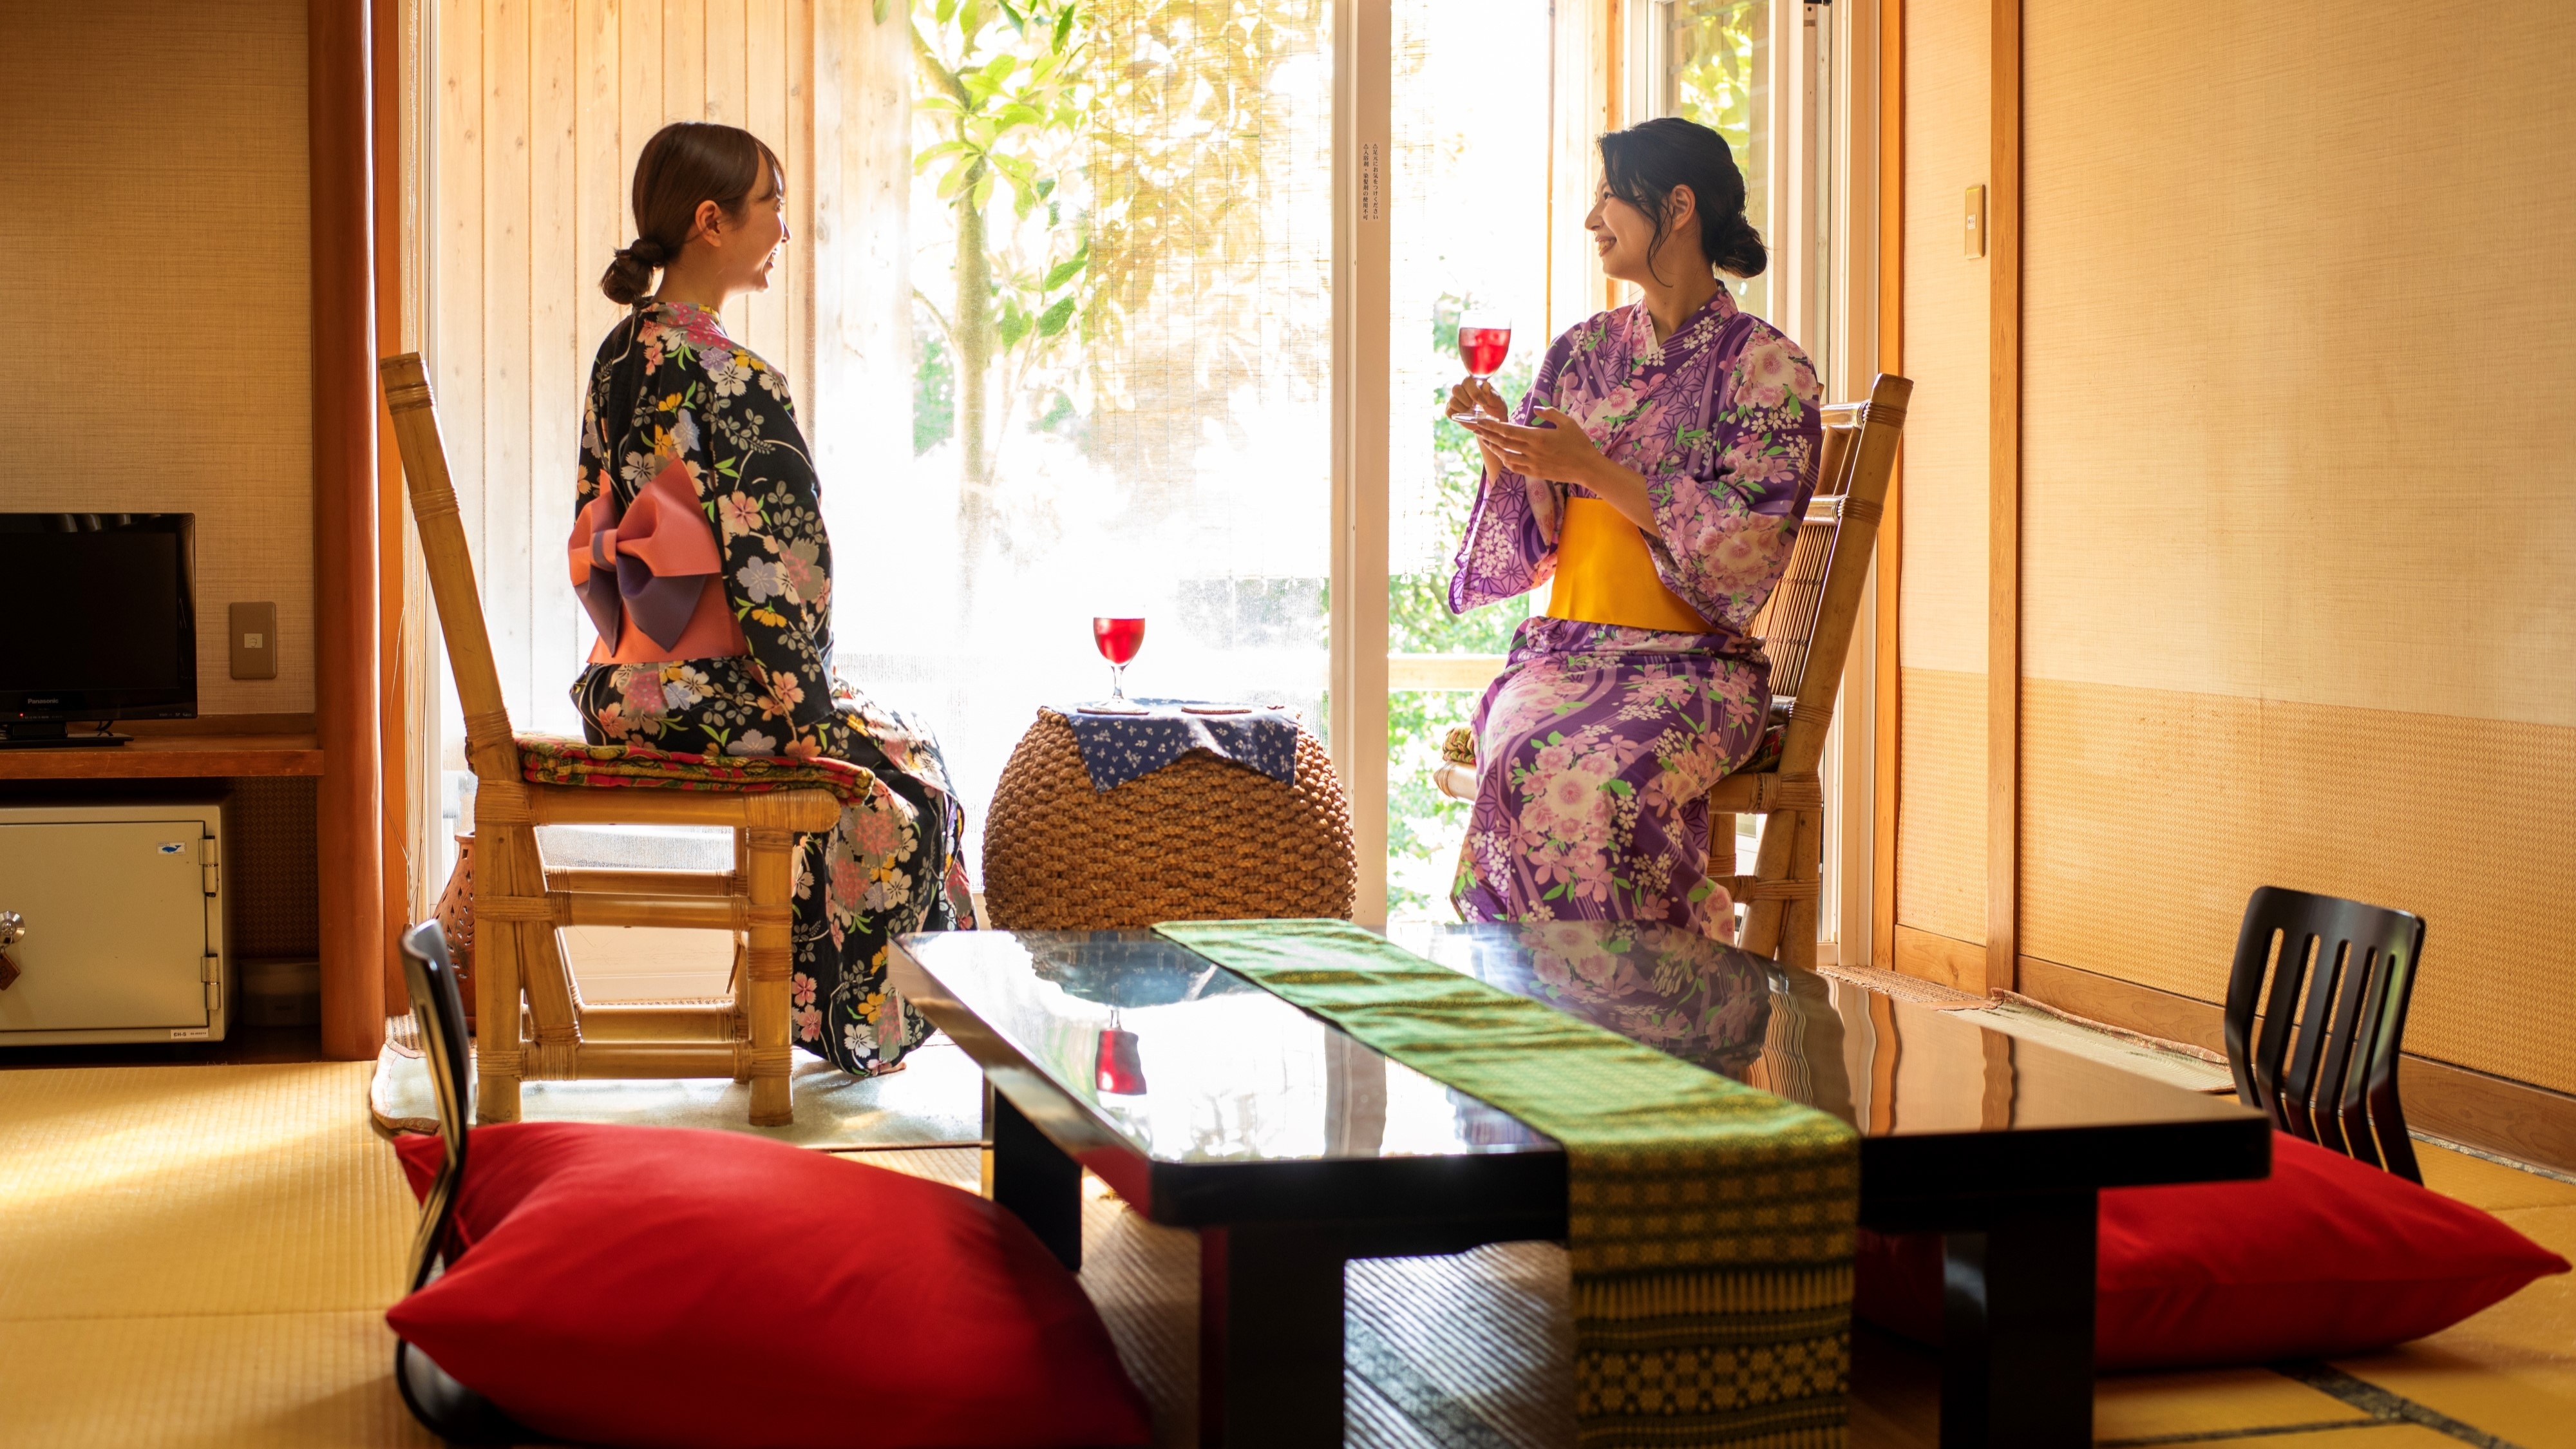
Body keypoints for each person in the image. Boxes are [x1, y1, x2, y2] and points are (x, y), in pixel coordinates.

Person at [569, 121, 974, 1076]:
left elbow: (596, 530)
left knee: (896, 743)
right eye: (773, 206)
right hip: (707, 693)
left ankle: (819, 1003)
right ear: (713, 222)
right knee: (909, 780)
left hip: (625, 687)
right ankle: (849, 1021)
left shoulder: (621, 356)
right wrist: (807, 713)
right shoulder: (733, 378)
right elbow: (777, 575)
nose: (785, 228)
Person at [1446, 116, 1821, 940]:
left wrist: (1595, 470)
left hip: (1694, 670)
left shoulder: (1768, 368)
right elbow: (1538, 545)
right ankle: (1558, 1012)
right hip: (1568, 656)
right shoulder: (1578, 354)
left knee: (1590, 773)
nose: (1592, 220)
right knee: (1524, 757)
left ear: (1676, 206)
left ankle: (1650, 1002)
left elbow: (1743, 555)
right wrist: (1503, 455)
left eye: (1609, 197)